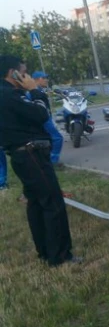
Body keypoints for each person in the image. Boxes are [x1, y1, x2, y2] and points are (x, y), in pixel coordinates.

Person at [0, 55, 80, 267]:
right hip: (31, 154)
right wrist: (35, 90)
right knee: (52, 203)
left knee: (36, 204)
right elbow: (42, 114)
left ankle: (45, 252)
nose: (27, 77)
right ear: (13, 73)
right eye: (24, 72)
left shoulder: (8, 94)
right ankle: (60, 256)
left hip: (22, 155)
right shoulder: (10, 95)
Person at [32, 71, 64, 165]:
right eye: (44, 78)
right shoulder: (34, 92)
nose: (46, 80)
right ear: (39, 79)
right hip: (44, 120)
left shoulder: (40, 90)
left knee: (49, 140)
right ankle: (53, 161)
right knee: (57, 138)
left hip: (46, 118)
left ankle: (47, 160)